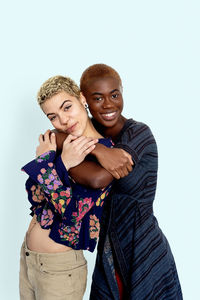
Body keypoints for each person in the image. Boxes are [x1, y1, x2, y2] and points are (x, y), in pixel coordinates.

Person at [71, 63, 183, 299]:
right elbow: (57, 135)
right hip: (109, 253)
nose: (109, 104)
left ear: (122, 91)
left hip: (145, 249)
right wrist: (100, 151)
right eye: (98, 98)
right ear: (84, 101)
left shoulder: (139, 134)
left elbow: (98, 179)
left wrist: (75, 157)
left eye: (114, 94)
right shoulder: (87, 135)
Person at [19, 75, 115, 300]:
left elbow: (71, 214)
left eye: (67, 107)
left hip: (60, 270)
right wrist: (62, 164)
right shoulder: (60, 142)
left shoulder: (105, 156)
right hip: (29, 257)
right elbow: (34, 193)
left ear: (82, 99)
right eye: (53, 116)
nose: (63, 119)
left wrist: (50, 163)